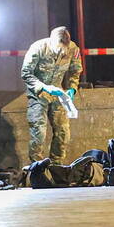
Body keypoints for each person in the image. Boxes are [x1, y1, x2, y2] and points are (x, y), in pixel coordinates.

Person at [21, 26, 82, 164]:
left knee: (63, 132)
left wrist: (72, 89)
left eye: (63, 50)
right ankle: (37, 167)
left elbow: (75, 71)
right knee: (39, 133)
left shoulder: (73, 49)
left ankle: (56, 165)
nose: (60, 52)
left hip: (58, 93)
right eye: (58, 49)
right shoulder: (38, 48)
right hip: (38, 94)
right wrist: (44, 87)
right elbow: (26, 73)